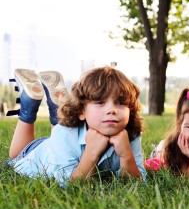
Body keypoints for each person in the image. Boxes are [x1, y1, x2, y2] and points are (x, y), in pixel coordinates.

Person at [5, 67, 146, 185]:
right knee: (15, 156)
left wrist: (126, 154)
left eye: (121, 103)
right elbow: (70, 184)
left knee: (63, 130)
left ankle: (57, 109)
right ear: (81, 111)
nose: (112, 110)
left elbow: (138, 182)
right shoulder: (64, 133)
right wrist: (91, 153)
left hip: (61, 145)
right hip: (36, 152)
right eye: (99, 102)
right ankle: (28, 106)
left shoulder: (131, 135)